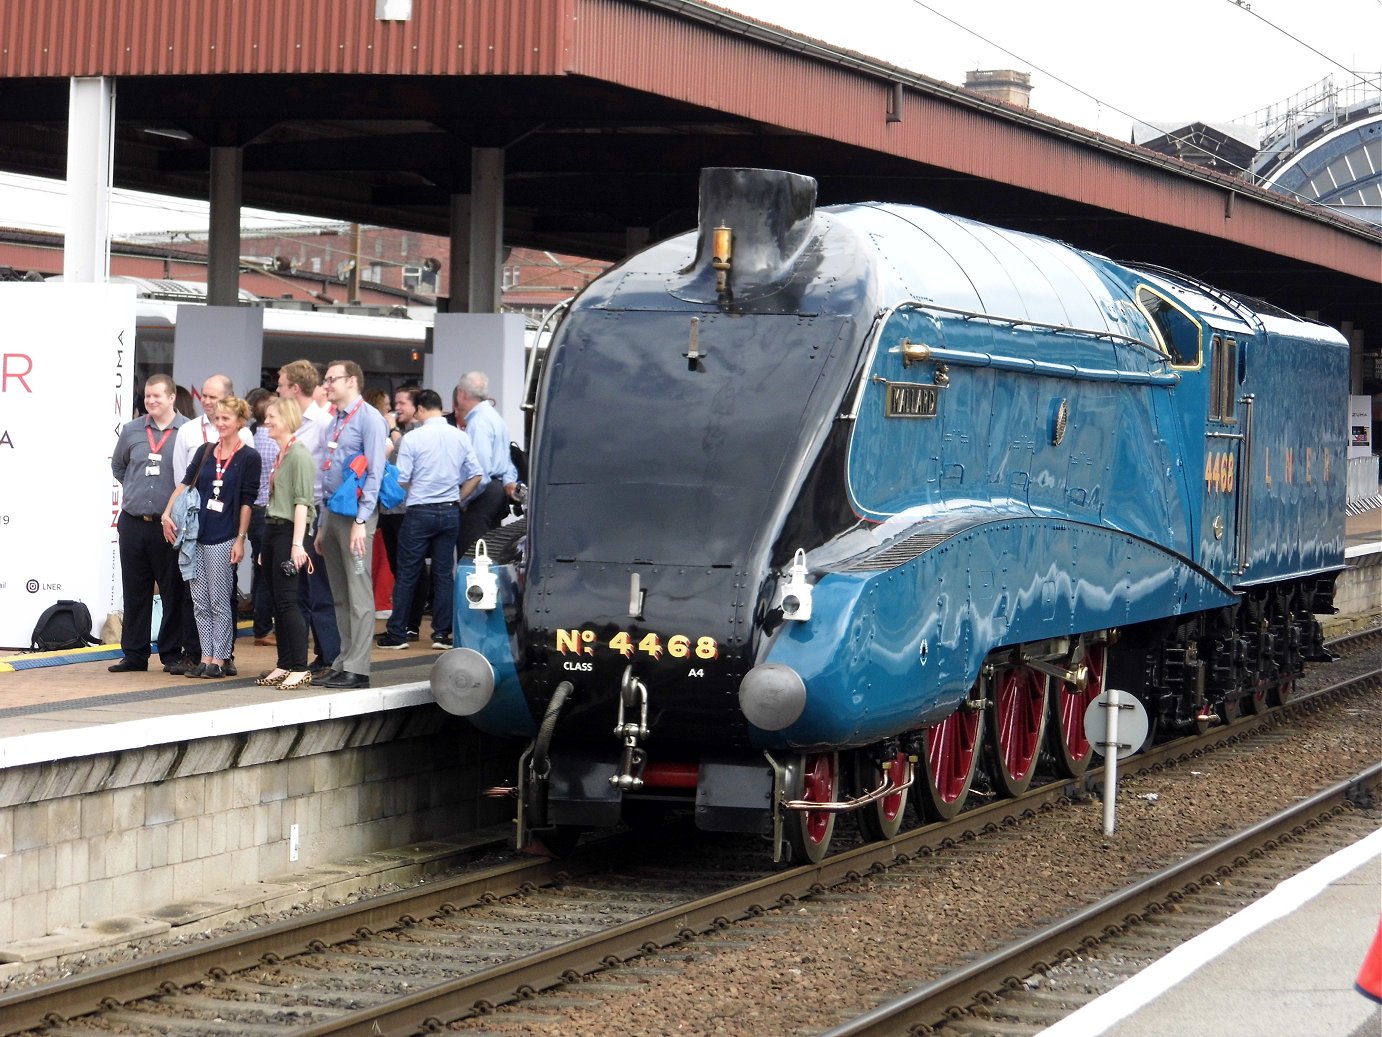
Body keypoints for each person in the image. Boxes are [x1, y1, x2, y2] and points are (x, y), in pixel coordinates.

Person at [162, 397, 261, 679]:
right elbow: (185, 482)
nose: (220, 424)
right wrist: (167, 512)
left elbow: (246, 501)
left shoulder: (248, 457)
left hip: (224, 535)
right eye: (217, 419)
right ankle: (206, 657)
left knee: (219, 600)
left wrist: (241, 538)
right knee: (200, 601)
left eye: (226, 419)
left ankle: (220, 657)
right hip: (196, 534)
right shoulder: (206, 451)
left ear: (239, 421)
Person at [376, 389, 482, 651]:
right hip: (449, 511)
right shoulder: (460, 436)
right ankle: (442, 634)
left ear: (421, 409)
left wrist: (418, 491)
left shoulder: (413, 438)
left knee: (408, 572)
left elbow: (403, 478)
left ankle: (398, 634)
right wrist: (458, 498)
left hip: (419, 511)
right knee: (444, 574)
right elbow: (477, 474)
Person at [109, 374, 189, 672]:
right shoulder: (131, 430)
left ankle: (170, 653)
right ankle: (134, 654)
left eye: (157, 396)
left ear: (171, 398)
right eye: (147, 397)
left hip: (168, 525)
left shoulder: (187, 432)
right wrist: (135, 490)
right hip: (133, 522)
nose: (151, 401)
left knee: (172, 589)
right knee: (135, 588)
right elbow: (119, 465)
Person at [317, 359, 388, 689]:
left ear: (352, 382)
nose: (327, 384)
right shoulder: (334, 420)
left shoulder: (370, 419)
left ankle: (358, 669)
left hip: (355, 517)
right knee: (340, 593)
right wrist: (321, 524)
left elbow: (374, 472)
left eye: (332, 379)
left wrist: (361, 519)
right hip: (333, 513)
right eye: (326, 379)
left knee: (358, 594)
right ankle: (343, 661)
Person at [276, 360, 341, 676]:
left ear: (295, 389)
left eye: (281, 384)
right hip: (290, 517)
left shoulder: (324, 423)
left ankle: (330, 655)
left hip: (313, 513)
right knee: (299, 591)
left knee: (319, 588)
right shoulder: (294, 423)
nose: (277, 389)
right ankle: (309, 655)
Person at [254, 396, 315, 691]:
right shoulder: (284, 453)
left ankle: (299, 666)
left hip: (288, 530)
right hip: (274, 529)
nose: (267, 422)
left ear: (287, 419)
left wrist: (297, 544)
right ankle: (286, 662)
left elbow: (303, 502)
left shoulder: (299, 455)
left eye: (272, 418)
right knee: (280, 601)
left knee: (289, 601)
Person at [453, 371, 520, 556]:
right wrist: (508, 482)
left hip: (481, 495)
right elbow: (507, 461)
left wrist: (463, 499)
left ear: (462, 393)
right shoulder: (495, 418)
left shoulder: (478, 423)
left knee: (472, 555)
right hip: (497, 492)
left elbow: (479, 473)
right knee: (489, 553)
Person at [379, 383, 426, 636]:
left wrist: (393, 429)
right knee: (398, 567)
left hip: (407, 510)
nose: (396, 409)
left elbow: (404, 451)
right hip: (389, 509)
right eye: (394, 404)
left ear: (417, 408)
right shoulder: (402, 431)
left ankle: (411, 624)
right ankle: (402, 621)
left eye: (402, 404)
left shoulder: (416, 433)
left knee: (411, 567)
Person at [246, 387, 279, 646]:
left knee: (260, 569)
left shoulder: (250, 436)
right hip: (269, 510)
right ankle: (263, 628)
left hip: (252, 510)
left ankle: (261, 624)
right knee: (268, 571)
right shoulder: (273, 440)